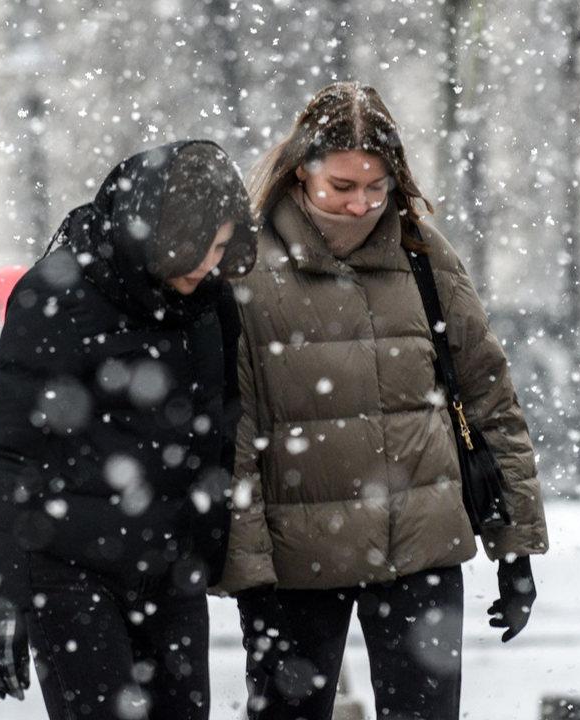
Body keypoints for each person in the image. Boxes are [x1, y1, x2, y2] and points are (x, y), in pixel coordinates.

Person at [212, 81, 549, 720]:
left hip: (421, 549)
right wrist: (249, 576)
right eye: (341, 187)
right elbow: (236, 435)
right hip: (297, 561)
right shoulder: (246, 272)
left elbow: (489, 401)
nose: (361, 205)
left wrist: (516, 548)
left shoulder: (423, 257)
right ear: (300, 171)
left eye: (377, 187)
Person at [0, 140, 257, 719]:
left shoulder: (209, 301)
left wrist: (212, 542)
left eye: (218, 251)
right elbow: (7, 451)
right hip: (68, 568)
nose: (206, 267)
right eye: (196, 251)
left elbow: (221, 422)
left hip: (169, 565)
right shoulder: (60, 296)